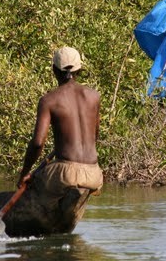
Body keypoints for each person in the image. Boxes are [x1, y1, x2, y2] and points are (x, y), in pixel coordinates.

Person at [17, 46, 103, 195]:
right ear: (80, 70)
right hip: (94, 174)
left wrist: (25, 172)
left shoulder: (48, 100)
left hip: (66, 175)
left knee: (33, 186)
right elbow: (95, 137)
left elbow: (37, 143)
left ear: (54, 70)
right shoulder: (94, 96)